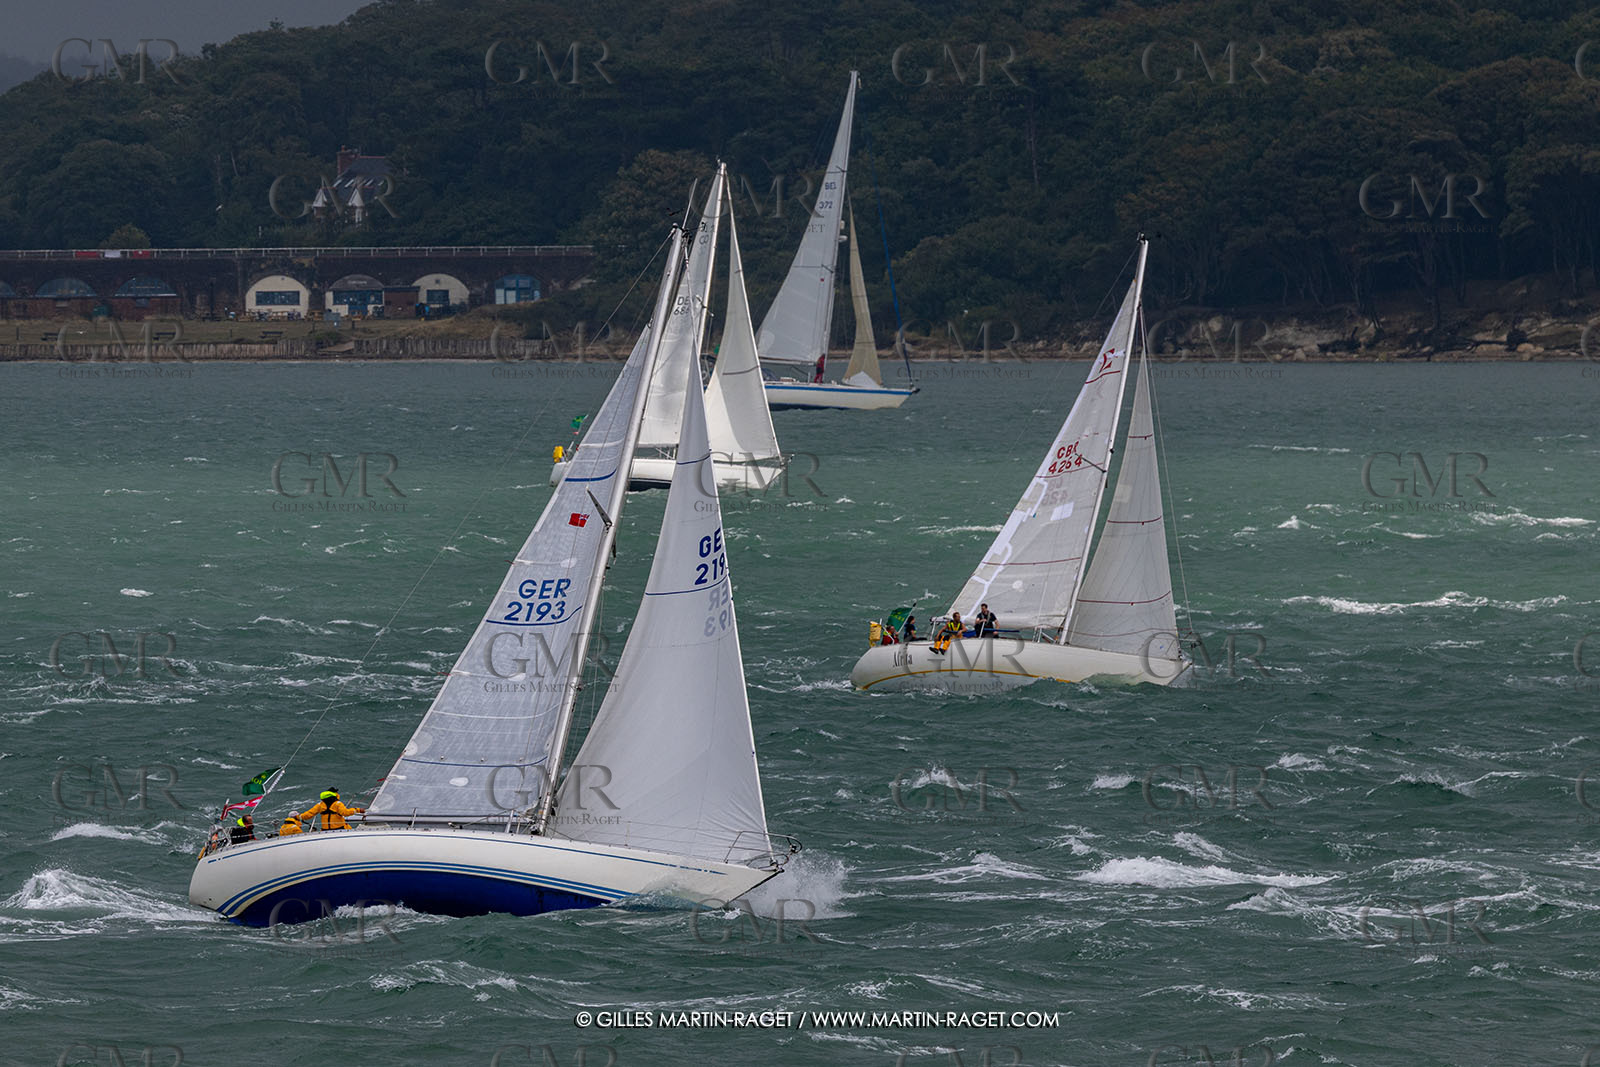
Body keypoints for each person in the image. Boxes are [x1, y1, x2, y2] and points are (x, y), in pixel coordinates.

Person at [300, 788, 366, 831]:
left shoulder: (320, 805)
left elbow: (308, 814)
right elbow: (345, 813)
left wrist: (299, 817)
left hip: (325, 830)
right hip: (339, 829)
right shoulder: (338, 804)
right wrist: (358, 810)